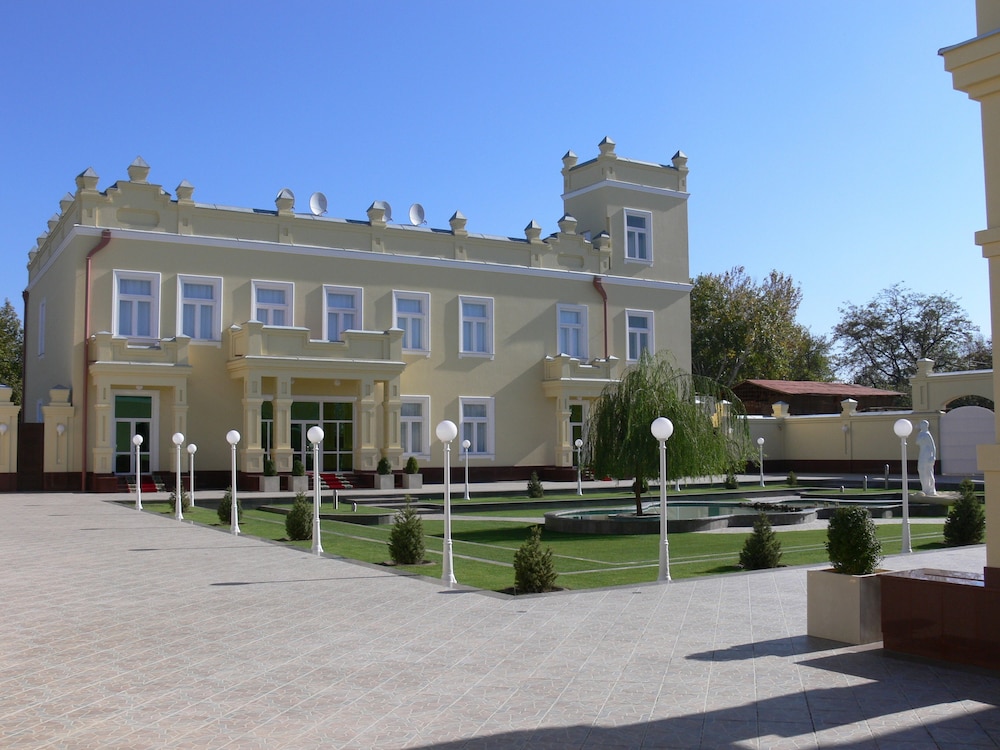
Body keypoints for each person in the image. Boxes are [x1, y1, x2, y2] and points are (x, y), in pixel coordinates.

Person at [915, 420, 937, 496]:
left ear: (926, 426)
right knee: (921, 469)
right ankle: (925, 488)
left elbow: (933, 446)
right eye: (920, 424)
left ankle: (931, 490)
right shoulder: (921, 434)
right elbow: (917, 442)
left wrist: (933, 457)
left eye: (922, 425)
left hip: (927, 454)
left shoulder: (927, 434)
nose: (921, 426)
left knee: (929, 472)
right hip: (922, 453)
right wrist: (921, 438)